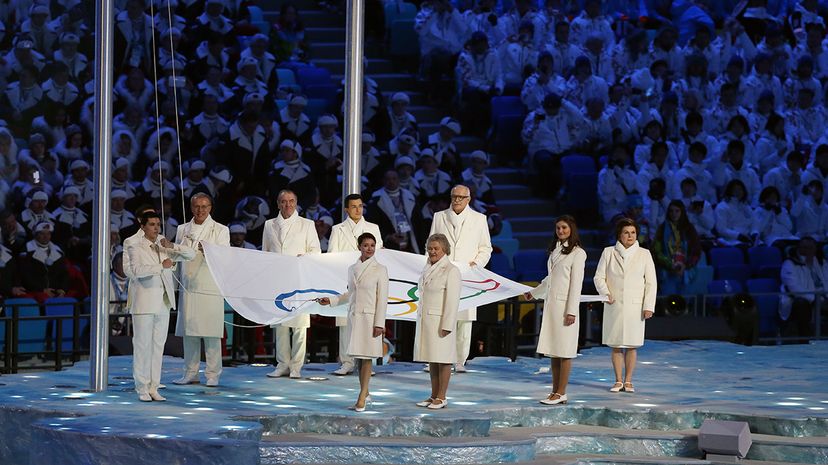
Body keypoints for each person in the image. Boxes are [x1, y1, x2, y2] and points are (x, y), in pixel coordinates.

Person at [124, 210, 195, 402]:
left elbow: (191, 254)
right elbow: (135, 271)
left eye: (158, 224)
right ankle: (141, 387)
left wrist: (172, 245)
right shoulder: (133, 243)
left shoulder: (162, 242)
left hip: (164, 302)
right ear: (143, 226)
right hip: (144, 302)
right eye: (152, 224)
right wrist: (160, 267)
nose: (156, 228)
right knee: (142, 346)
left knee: (157, 347)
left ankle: (154, 386)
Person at [319, 233, 388, 412]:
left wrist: (379, 323)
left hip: (370, 319)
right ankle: (364, 392)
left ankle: (362, 396)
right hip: (355, 318)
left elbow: (382, 299)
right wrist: (332, 301)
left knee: (366, 359)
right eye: (366, 245)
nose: (370, 248)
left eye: (372, 245)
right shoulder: (352, 269)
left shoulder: (380, 269)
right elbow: (350, 294)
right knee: (359, 358)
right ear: (359, 247)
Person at [427, 185, 492, 372]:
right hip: (442, 272)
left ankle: (460, 360)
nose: (457, 200)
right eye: (454, 196)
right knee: (439, 316)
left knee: (464, 319)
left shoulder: (479, 219)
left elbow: (485, 248)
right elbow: (431, 243)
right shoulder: (439, 216)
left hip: (467, 275)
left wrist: (476, 264)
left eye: (461, 197)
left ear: (468, 199)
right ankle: (436, 356)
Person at [524, 215, 586, 405]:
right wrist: (534, 293)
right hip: (552, 306)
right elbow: (550, 279)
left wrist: (571, 311)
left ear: (572, 229)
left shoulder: (578, 253)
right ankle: (554, 391)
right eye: (558, 228)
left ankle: (561, 392)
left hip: (565, 308)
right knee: (554, 350)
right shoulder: (555, 251)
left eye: (564, 228)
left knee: (565, 350)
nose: (561, 231)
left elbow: (576, 285)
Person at [172, 193, 230, 387]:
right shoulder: (182, 229)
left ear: (210, 207)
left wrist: (210, 252)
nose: (200, 210)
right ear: (191, 207)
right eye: (197, 206)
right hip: (188, 285)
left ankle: (213, 374)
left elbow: (225, 256)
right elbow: (176, 254)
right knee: (190, 332)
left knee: (211, 333)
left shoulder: (220, 230)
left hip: (210, 285)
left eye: (204, 206)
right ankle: (190, 372)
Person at [594, 218, 657, 394]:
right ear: (619, 235)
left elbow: (651, 283)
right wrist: (606, 294)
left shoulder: (644, 254)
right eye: (626, 233)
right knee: (615, 344)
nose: (630, 236)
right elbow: (598, 277)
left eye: (633, 233)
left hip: (635, 307)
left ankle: (628, 380)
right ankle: (618, 380)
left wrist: (648, 306)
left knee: (631, 344)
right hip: (614, 304)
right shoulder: (608, 252)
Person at [262, 190, 321, 379]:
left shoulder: (307, 224)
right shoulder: (269, 225)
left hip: (299, 280)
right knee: (280, 324)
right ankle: (282, 363)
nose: (287, 205)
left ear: (296, 203)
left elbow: (315, 251)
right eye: (283, 202)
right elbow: (266, 253)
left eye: (291, 201)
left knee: (299, 326)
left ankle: (296, 366)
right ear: (278, 204)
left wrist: (304, 258)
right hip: (278, 281)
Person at [327, 193, 383, 376]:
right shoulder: (338, 229)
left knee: (368, 322)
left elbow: (379, 254)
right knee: (346, 323)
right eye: (353, 206)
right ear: (346, 209)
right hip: (347, 280)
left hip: (368, 282)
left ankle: (365, 363)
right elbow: (332, 256)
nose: (358, 210)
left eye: (360, 206)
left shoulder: (373, 227)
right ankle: (347, 361)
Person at [413, 233, 461, 410]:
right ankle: (433, 395)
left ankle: (442, 396)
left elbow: (452, 300)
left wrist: (447, 325)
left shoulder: (451, 270)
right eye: (430, 248)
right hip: (428, 320)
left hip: (441, 321)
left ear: (445, 250)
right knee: (432, 359)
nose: (432, 252)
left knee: (444, 359)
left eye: (436, 249)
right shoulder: (427, 267)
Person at [779, 237, 827, 338]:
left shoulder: (821, 263)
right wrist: (814, 299)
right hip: (799, 299)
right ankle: (804, 340)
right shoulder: (790, 264)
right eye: (804, 247)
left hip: (822, 297)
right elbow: (794, 288)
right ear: (798, 248)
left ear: (815, 249)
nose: (806, 251)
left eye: (810, 248)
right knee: (801, 304)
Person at [652, 200, 702, 296]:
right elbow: (657, 251)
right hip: (667, 270)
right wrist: (670, 265)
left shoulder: (689, 229)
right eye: (671, 211)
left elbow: (696, 251)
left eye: (677, 211)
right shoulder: (662, 228)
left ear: (682, 212)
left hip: (686, 271)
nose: (674, 214)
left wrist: (686, 266)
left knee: (684, 301)